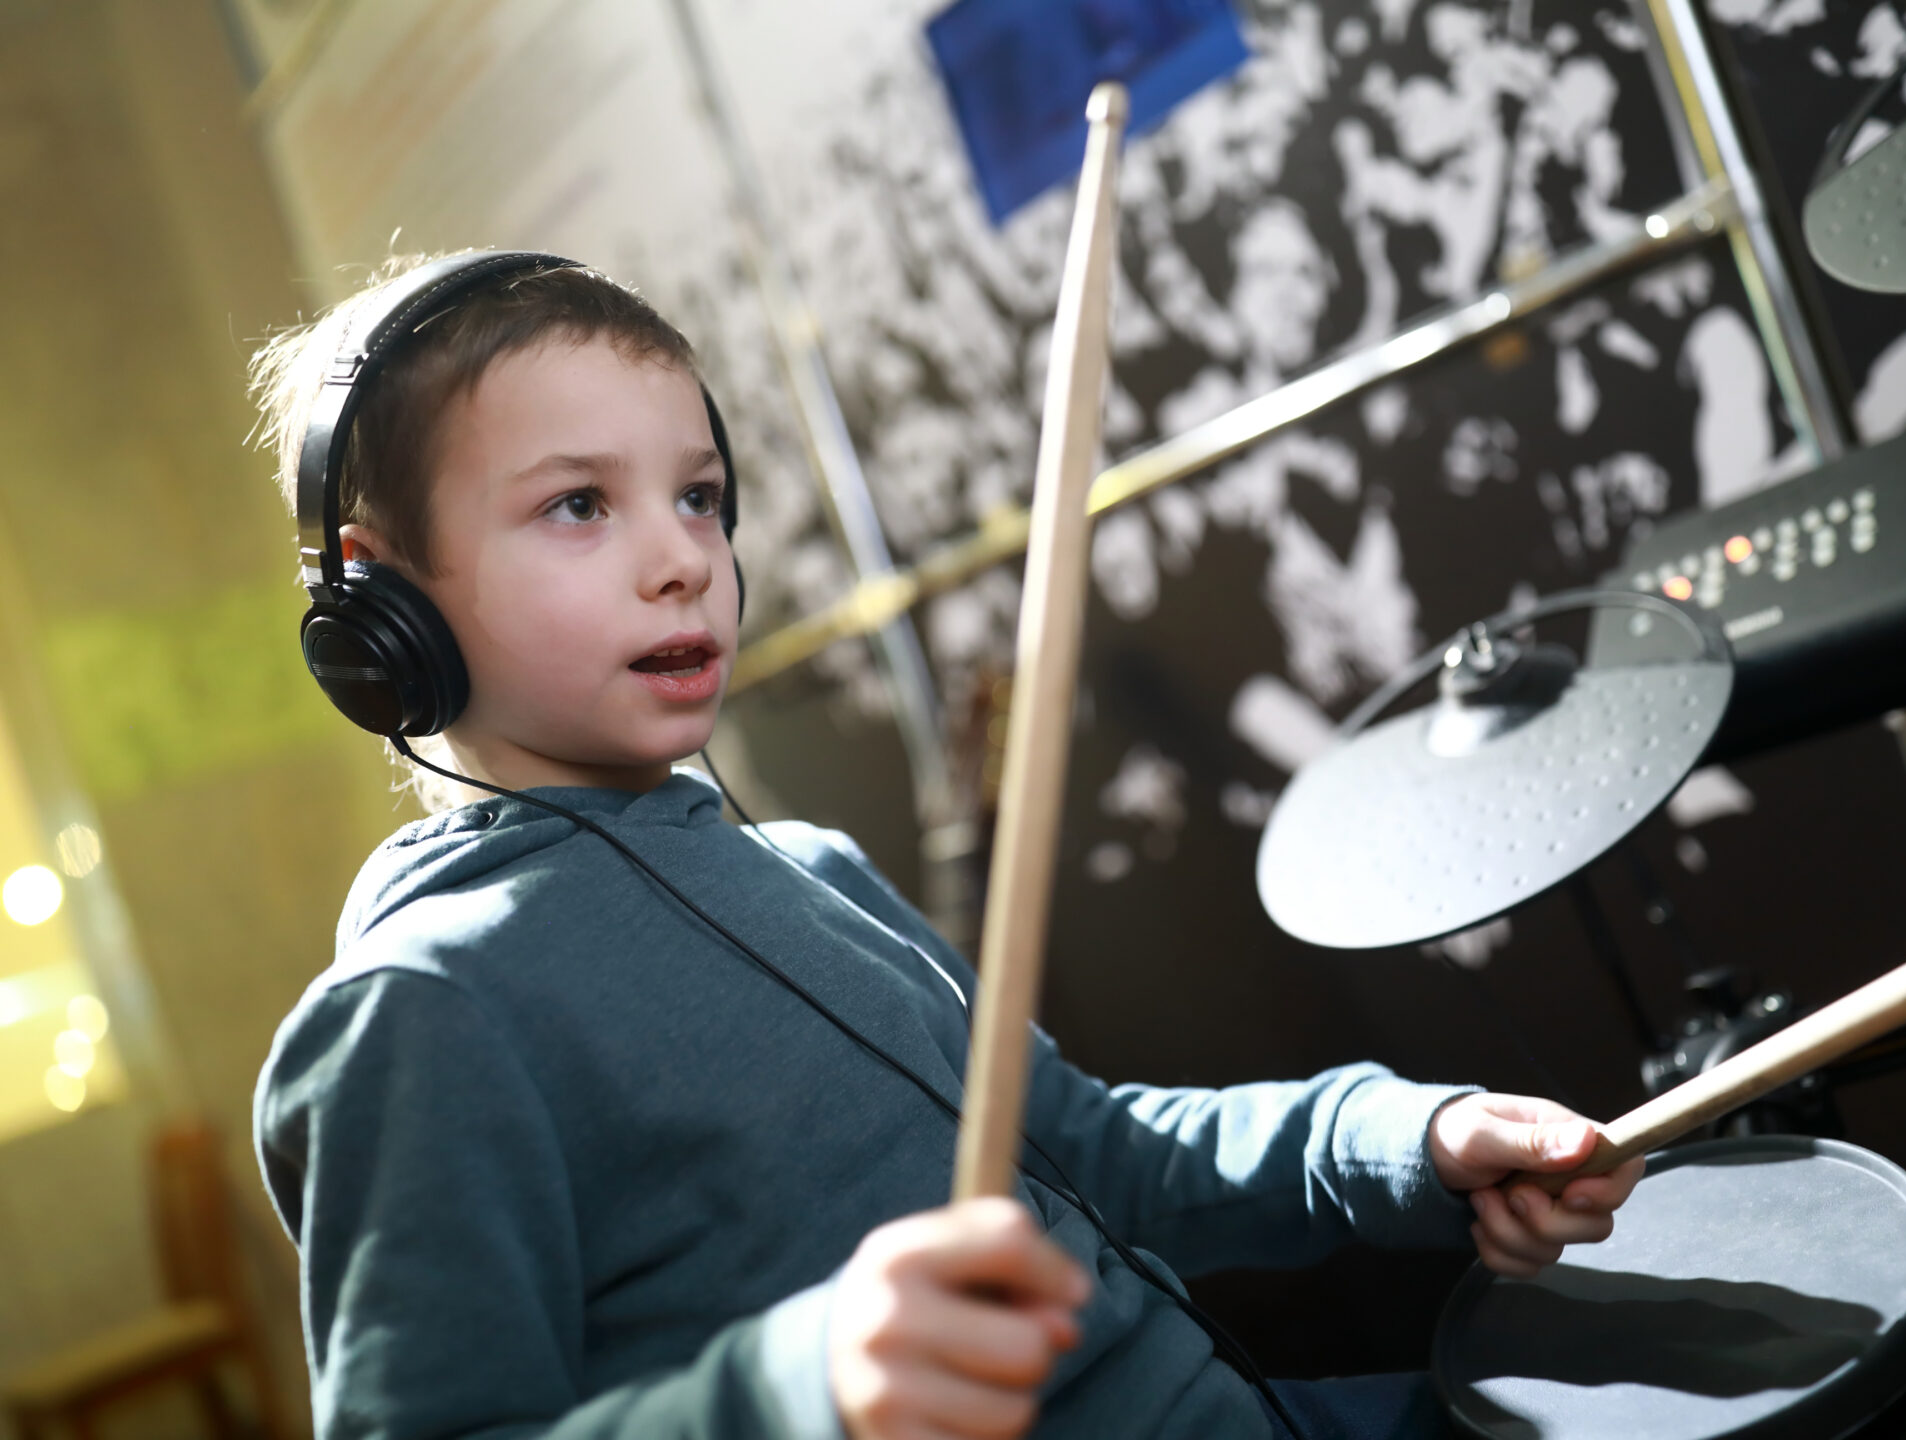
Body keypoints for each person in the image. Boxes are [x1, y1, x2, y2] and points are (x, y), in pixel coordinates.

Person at [249, 252, 1643, 1440]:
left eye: (700, 495)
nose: (681, 559)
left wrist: (1409, 1138)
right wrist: (799, 1385)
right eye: (577, 505)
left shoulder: (807, 874)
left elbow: (1108, 1157)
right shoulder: (419, 1016)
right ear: (384, 607)